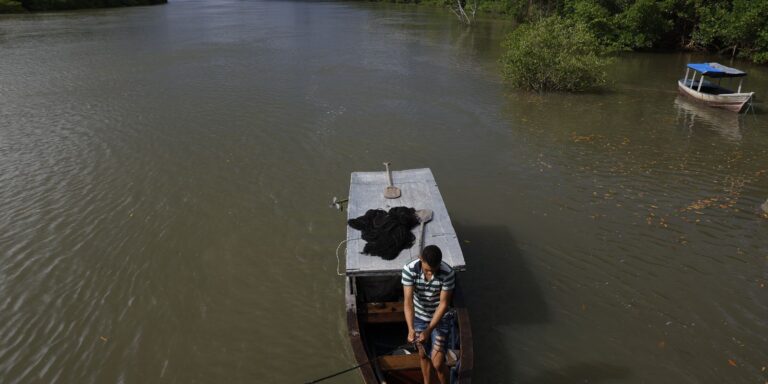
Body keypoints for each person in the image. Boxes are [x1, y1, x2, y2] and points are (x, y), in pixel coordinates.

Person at [402, 245, 455, 384]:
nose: (430, 273)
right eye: (427, 270)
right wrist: (410, 329)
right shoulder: (409, 270)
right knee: (423, 355)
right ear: (420, 259)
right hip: (419, 316)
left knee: (437, 362)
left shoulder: (447, 273)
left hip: (441, 317)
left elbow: (443, 304)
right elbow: (408, 302)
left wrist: (429, 330)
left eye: (434, 270)